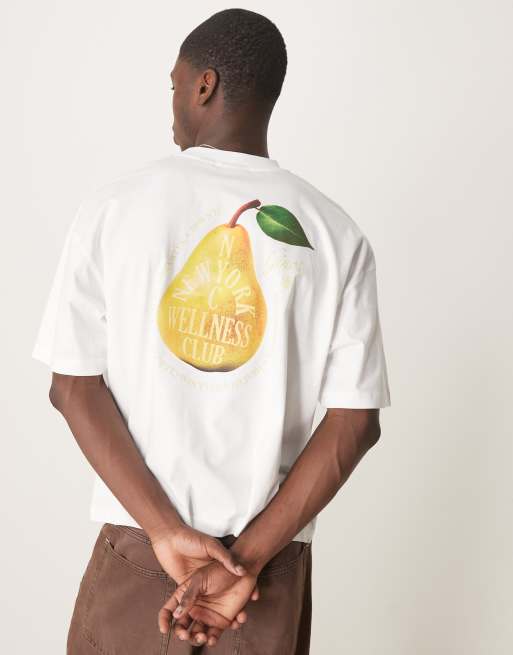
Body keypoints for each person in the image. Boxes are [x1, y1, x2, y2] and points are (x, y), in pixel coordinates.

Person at [32, 8, 391, 654]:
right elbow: (355, 423)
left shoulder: (114, 208)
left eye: (174, 84)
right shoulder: (336, 234)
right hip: (263, 576)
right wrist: (246, 559)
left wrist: (164, 530)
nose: (171, 103)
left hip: (139, 552)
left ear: (204, 85)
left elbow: (72, 387)